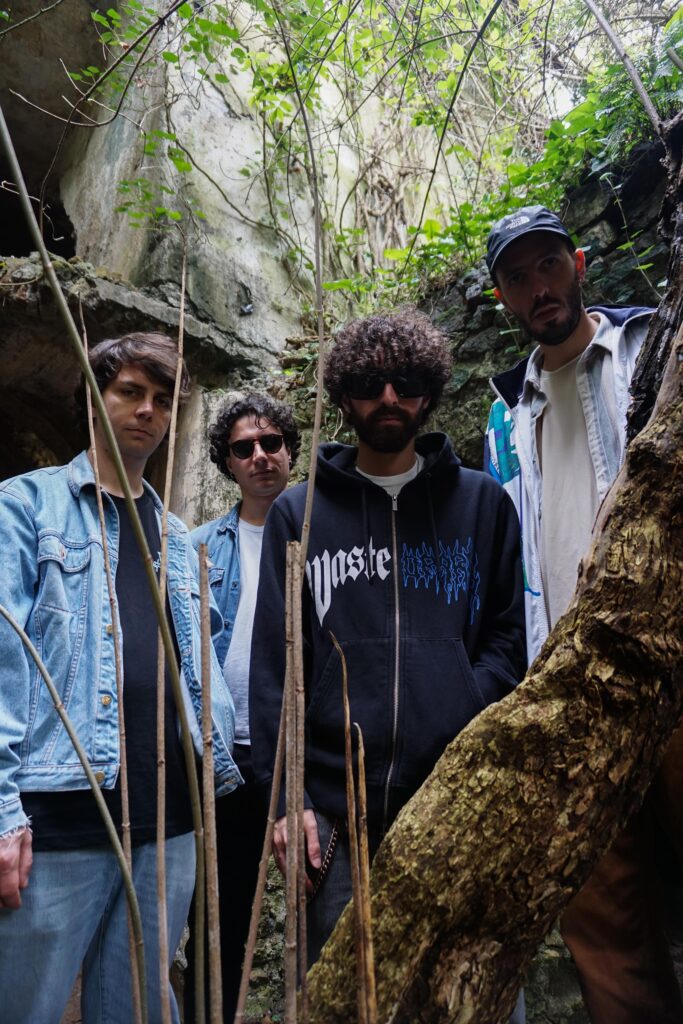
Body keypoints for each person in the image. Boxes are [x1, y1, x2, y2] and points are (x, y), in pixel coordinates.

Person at [249, 309, 527, 992]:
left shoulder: (482, 504)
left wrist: (464, 700)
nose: (389, 398)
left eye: (405, 382)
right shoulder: (298, 512)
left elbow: (508, 637)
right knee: (343, 995)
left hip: (458, 796)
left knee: (470, 989)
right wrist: (287, 800)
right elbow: (275, 667)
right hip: (335, 813)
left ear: (428, 393)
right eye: (370, 385)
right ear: (344, 397)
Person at [0, 332, 240, 1024]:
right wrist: (4, 812)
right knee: (26, 1006)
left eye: (162, 400)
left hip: (169, 822)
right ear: (93, 399)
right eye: (130, 392)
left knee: (139, 1005)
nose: (147, 411)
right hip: (59, 816)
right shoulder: (26, 506)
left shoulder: (178, 538)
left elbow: (202, 666)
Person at [484, 205, 683, 1023]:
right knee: (600, 915)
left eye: (547, 266)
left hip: (668, 659)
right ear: (502, 298)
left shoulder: (648, 349)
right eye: (517, 277)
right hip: (571, 687)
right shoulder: (504, 413)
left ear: (578, 264)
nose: (538, 288)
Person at [185, 392, 300, 1023]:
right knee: (220, 912)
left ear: (290, 449)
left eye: (271, 442)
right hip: (227, 754)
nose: (260, 456)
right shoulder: (200, 546)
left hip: (302, 750)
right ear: (227, 462)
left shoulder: (323, 533)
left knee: (319, 897)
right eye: (243, 448)